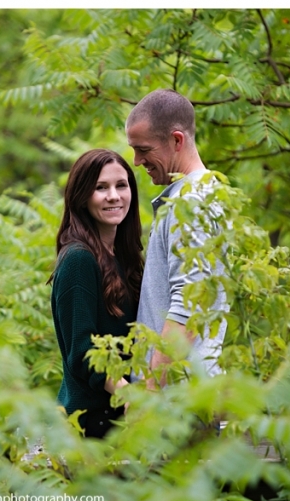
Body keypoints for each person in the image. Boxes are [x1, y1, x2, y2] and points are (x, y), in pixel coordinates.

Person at [125, 88, 228, 390]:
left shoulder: (190, 204)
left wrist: (151, 391)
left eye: (144, 149)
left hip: (177, 400)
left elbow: (191, 304)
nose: (136, 160)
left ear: (176, 140)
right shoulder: (206, 193)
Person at [49, 149, 144, 439]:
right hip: (90, 423)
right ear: (81, 196)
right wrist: (127, 392)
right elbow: (82, 350)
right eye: (101, 188)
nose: (114, 196)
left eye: (122, 185)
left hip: (119, 417)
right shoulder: (79, 259)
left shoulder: (125, 258)